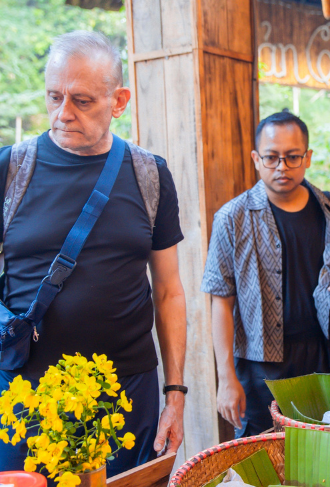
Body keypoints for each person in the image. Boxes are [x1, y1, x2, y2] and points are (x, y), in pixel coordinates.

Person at [0, 31, 187, 476]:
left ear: (118, 100)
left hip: (125, 397)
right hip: (26, 397)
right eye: (54, 97)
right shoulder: (10, 169)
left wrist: (175, 393)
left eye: (82, 101)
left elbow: (168, 292)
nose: (63, 114)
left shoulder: (150, 175)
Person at [202, 111, 330, 437]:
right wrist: (226, 379)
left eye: (292, 157)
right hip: (259, 365)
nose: (281, 167)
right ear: (256, 159)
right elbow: (220, 301)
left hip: (323, 355)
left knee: (325, 450)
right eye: (272, 157)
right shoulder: (231, 218)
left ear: (307, 157)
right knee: (262, 455)